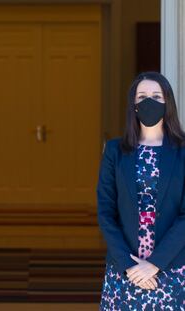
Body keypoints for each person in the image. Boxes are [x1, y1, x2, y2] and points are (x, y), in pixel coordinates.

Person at [97, 72, 185, 309]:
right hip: (124, 271)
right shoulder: (115, 151)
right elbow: (106, 212)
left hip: (172, 271)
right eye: (142, 96)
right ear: (133, 105)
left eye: (156, 96)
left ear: (168, 103)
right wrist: (129, 265)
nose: (149, 102)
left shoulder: (183, 152)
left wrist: (154, 264)